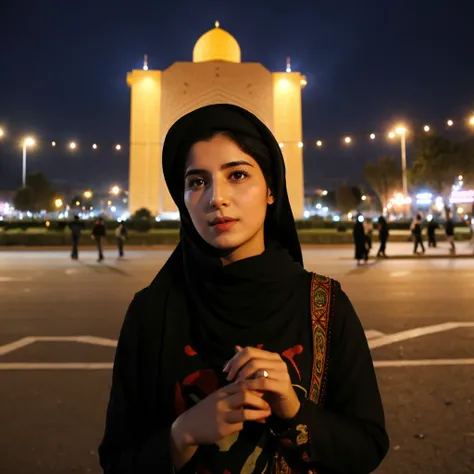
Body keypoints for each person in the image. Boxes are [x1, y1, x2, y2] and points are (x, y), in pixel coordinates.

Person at [99, 104, 389, 474]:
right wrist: (181, 435)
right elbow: (117, 460)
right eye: (197, 182)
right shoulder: (152, 311)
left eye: (237, 175)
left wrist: (293, 410)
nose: (216, 198)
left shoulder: (323, 305)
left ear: (271, 189)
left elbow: (367, 447)